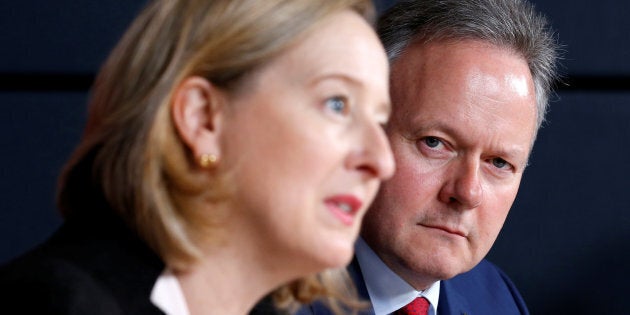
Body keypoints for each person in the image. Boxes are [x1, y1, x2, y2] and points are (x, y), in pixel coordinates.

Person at [0, 0, 396, 314]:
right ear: (203, 119)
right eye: (337, 104)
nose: (382, 161)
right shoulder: (59, 302)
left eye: (380, 120)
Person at [298, 0, 560, 314]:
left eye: (499, 163)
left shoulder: (495, 300)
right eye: (435, 143)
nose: (467, 192)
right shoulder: (268, 293)